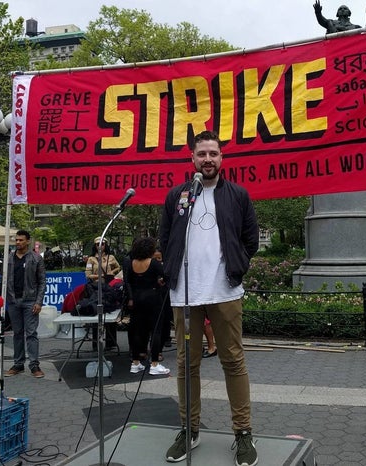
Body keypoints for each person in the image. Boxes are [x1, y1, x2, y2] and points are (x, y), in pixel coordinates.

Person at [160, 130, 259, 466]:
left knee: (233, 360)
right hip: (185, 294)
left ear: (222, 158)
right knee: (187, 365)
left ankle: (243, 432)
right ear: (192, 158)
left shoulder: (238, 195)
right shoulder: (178, 195)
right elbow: (165, 236)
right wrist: (172, 273)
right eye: (201, 154)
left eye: (213, 154)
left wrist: (236, 267)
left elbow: (250, 239)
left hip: (225, 290)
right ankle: (189, 429)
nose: (207, 159)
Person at [0, 230, 47, 379]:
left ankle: (34, 365)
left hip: (30, 301)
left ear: (28, 241)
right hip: (13, 300)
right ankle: (18, 364)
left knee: (31, 333)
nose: (17, 242)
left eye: (20, 240)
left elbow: (42, 282)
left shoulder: (36, 258)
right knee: (17, 333)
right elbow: (2, 279)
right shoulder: (9, 259)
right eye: (16, 240)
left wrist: (39, 302)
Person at [124, 237, 170, 376]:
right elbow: (165, 277)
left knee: (138, 330)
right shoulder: (154, 263)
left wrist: (131, 298)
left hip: (137, 299)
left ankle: (136, 362)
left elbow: (128, 282)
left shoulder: (132, 263)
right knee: (156, 330)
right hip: (153, 297)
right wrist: (160, 282)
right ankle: (155, 363)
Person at [85, 238, 121, 350]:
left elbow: (118, 267)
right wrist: (99, 276)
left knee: (110, 312)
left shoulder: (111, 257)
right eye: (97, 244)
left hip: (109, 287)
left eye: (102, 244)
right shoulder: (91, 259)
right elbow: (88, 274)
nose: (100, 246)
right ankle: (96, 343)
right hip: (96, 287)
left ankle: (111, 342)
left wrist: (111, 273)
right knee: (96, 314)